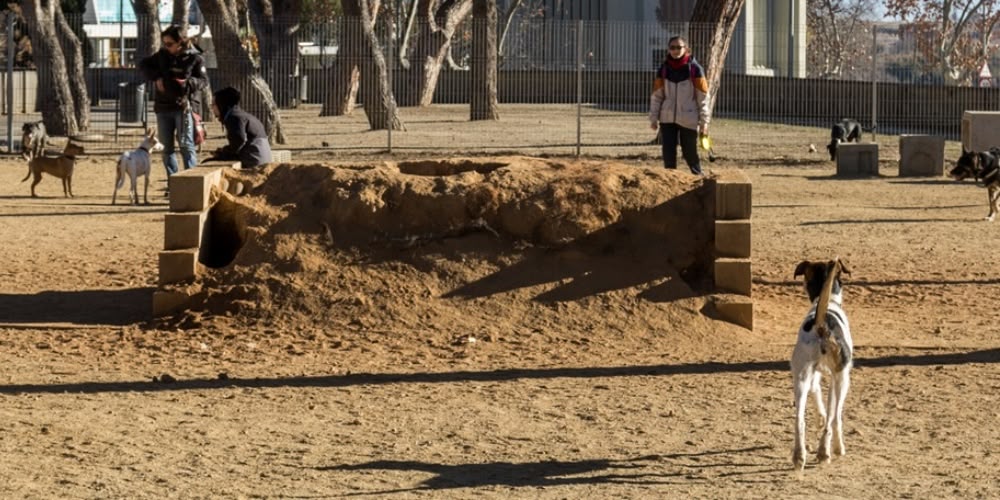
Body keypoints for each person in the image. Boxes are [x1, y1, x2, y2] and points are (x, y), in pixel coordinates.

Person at [138, 25, 209, 176]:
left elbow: (203, 81)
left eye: (169, 44)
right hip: (163, 108)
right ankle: (173, 182)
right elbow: (143, 65)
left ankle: (190, 181)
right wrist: (156, 77)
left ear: (181, 42)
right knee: (166, 148)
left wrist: (187, 83)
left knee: (186, 145)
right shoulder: (162, 55)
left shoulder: (195, 57)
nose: (166, 47)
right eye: (164, 43)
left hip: (183, 107)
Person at [649, 36, 710, 175]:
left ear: (686, 49)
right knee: (668, 153)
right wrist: (653, 118)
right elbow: (657, 96)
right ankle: (670, 180)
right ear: (668, 49)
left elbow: (703, 98)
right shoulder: (663, 69)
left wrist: (704, 123)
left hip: (689, 118)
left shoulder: (695, 69)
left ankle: (698, 177)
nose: (675, 50)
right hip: (667, 118)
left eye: (679, 47)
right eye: (672, 47)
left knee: (690, 152)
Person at [207, 86, 272, 169]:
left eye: (213, 104)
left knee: (210, 162)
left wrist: (224, 152)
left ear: (221, 105)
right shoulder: (239, 115)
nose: (212, 108)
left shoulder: (234, 117)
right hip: (259, 159)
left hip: (253, 162)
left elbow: (238, 141)